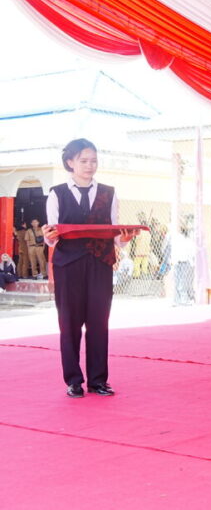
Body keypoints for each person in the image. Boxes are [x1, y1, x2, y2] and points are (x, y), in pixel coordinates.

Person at [42, 138, 139, 398]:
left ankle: (98, 380)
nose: (89, 165)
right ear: (70, 162)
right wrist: (48, 235)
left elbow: (114, 231)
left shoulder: (109, 192)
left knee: (99, 322)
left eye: (93, 160)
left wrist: (124, 239)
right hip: (68, 264)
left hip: (101, 263)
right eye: (83, 161)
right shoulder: (57, 193)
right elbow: (52, 235)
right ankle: (73, 380)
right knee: (69, 323)